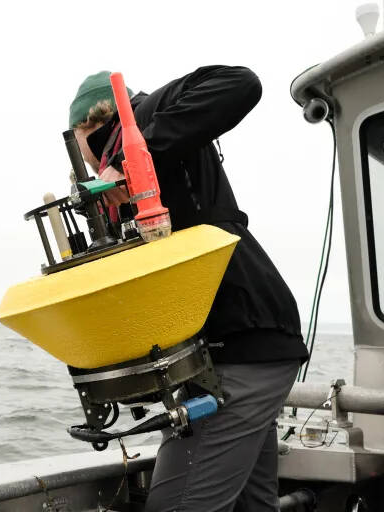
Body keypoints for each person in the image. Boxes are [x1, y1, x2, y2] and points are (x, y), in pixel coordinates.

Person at [68, 67, 309, 512]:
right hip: (244, 349)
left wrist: (133, 154)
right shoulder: (127, 166)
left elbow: (241, 82)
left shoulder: (144, 116)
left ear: (86, 125)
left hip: (240, 351)